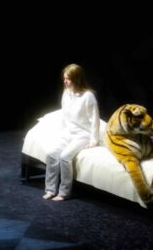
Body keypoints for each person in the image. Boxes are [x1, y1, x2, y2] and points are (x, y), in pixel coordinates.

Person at [43, 63, 101, 201]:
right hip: (69, 132)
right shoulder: (66, 93)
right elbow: (64, 115)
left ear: (77, 79)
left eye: (68, 79)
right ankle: (50, 189)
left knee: (65, 157)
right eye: (64, 78)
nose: (65, 81)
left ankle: (64, 192)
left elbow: (95, 120)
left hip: (83, 134)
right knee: (51, 154)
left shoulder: (88, 96)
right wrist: (61, 132)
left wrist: (94, 140)